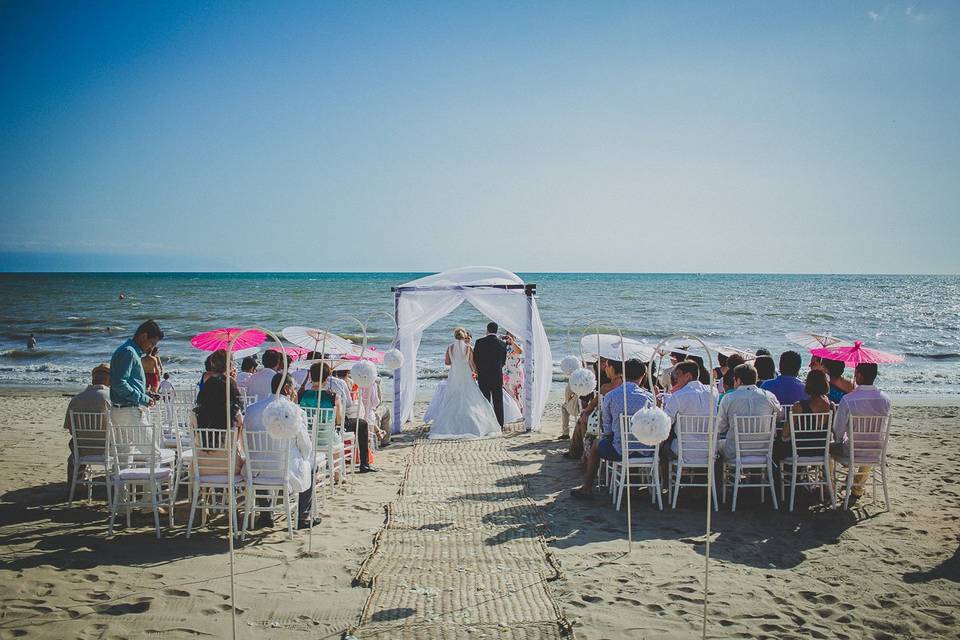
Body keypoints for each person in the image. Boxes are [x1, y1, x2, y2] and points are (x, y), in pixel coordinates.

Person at [571, 359, 655, 499]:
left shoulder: (611, 395)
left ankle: (587, 487)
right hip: (646, 451)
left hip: (619, 450)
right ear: (643, 376)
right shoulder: (650, 398)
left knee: (597, 445)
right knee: (635, 438)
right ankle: (633, 484)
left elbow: (607, 428)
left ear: (623, 374)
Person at [245, 373, 319, 529]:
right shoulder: (295, 412)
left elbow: (247, 443)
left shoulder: (251, 410)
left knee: (263, 461)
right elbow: (306, 447)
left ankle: (266, 514)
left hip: (256, 471)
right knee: (312, 465)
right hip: (285, 472)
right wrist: (303, 457)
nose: (295, 392)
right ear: (286, 388)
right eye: (294, 388)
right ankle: (303, 516)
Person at [831, 363, 891, 503]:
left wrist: (840, 439)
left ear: (859, 375)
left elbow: (837, 430)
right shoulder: (886, 399)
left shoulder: (848, 399)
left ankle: (831, 487)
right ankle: (858, 488)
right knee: (870, 445)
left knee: (828, 448)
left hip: (852, 451)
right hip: (876, 451)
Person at [429, 327, 501, 440]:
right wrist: (477, 373)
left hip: (454, 376)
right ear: (464, 337)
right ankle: (472, 424)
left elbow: (447, 363)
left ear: (455, 336)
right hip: (466, 375)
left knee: (453, 399)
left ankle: (452, 425)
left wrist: (455, 361)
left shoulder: (450, 348)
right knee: (470, 398)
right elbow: (472, 364)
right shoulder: (468, 348)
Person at [717, 363, 780, 461]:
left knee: (716, 446)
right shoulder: (769, 397)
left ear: (739, 380)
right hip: (763, 450)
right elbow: (780, 415)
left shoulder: (729, 398)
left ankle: (722, 476)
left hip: (734, 451)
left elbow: (721, 427)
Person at [63, 364, 112, 486]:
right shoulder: (110, 398)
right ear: (108, 380)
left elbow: (70, 430)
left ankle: (75, 486)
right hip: (107, 449)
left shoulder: (76, 399)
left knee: (72, 450)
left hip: (81, 450)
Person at [110, 320, 163, 430]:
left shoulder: (129, 351)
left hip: (122, 410)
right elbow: (119, 384)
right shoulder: (129, 352)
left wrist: (146, 394)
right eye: (152, 343)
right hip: (129, 411)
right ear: (144, 336)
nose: (151, 348)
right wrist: (144, 398)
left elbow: (124, 382)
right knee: (153, 447)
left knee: (125, 448)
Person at [775, 369, 834, 462]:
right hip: (822, 450)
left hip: (800, 450)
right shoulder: (831, 406)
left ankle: (779, 476)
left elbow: (785, 433)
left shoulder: (799, 406)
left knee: (776, 446)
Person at [663, 360, 715, 456]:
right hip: (710, 448)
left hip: (684, 448)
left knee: (662, 448)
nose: (675, 379)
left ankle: (664, 471)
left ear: (688, 376)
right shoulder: (713, 392)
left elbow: (666, 422)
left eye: (677, 375)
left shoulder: (678, 396)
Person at [472, 322, 508, 427]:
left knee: (485, 401)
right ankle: (500, 424)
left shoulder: (479, 342)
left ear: (487, 330)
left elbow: (475, 358)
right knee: (498, 402)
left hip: (483, 375)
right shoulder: (502, 344)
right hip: (497, 375)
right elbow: (503, 361)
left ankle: (485, 424)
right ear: (496, 331)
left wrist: (479, 370)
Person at [502, 332, 524, 409]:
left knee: (518, 391)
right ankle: (512, 409)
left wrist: (512, 342)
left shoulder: (518, 345)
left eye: (512, 336)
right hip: (506, 372)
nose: (509, 337)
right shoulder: (503, 346)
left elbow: (520, 351)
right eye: (508, 336)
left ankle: (520, 408)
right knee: (508, 391)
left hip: (516, 371)